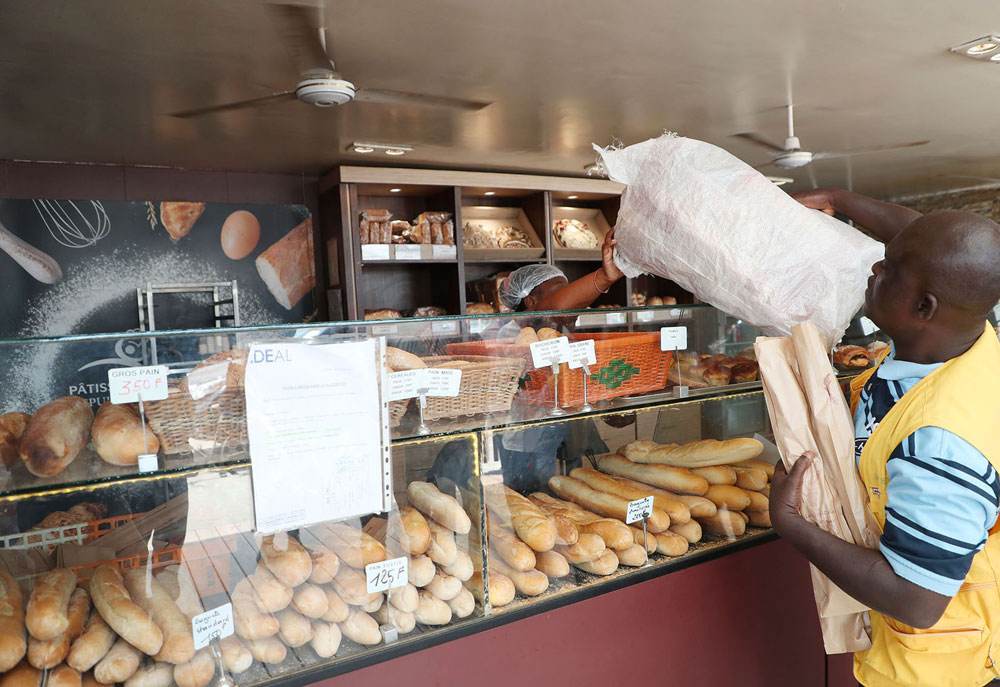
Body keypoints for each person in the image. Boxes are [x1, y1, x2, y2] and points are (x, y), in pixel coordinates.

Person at [771, 187, 1000, 687]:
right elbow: (927, 241)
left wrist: (792, 524)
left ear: (923, 306)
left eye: (888, 268)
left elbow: (916, 599)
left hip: (941, 670)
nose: (874, 268)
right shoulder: (976, 329)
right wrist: (840, 200)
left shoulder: (938, 443)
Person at [428, 230, 624, 493]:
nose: (574, 300)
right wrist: (606, 276)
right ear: (531, 301)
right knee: (527, 503)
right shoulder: (510, 335)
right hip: (516, 447)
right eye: (560, 293)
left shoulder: (561, 333)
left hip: (560, 440)